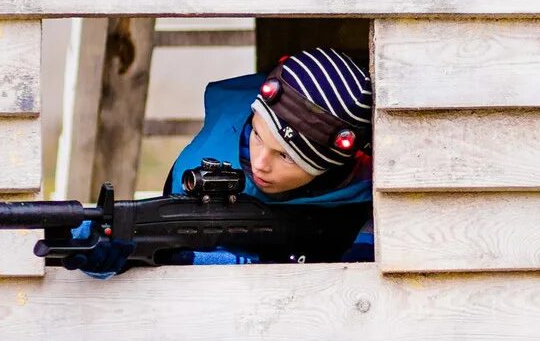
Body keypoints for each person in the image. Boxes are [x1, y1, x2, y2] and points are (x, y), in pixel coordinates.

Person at [77, 45, 375, 274]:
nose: (260, 163)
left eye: (286, 156)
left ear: (328, 167)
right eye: (257, 136)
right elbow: (160, 246)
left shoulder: (371, 187)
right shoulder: (197, 165)